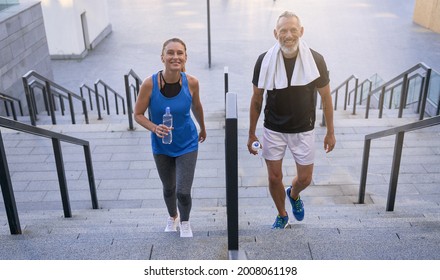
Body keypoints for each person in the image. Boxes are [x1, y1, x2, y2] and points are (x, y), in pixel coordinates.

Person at [247, 11, 336, 229]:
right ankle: (282, 214)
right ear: (275, 33)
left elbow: (325, 97)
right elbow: (257, 98)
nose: (288, 35)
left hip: (303, 128)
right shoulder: (264, 60)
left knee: (305, 179)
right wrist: (251, 133)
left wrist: (330, 131)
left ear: (301, 32)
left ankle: (294, 194)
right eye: (283, 30)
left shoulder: (315, 60)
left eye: (293, 30)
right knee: (274, 178)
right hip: (273, 128)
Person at [134, 38, 206, 237]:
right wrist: (154, 127)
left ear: (185, 57)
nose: (175, 57)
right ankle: (172, 216)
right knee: (168, 188)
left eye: (179, 53)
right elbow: (138, 114)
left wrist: (203, 127)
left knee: (183, 191)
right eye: (170, 53)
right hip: (162, 145)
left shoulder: (192, 82)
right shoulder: (149, 84)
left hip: (187, 142)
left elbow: (197, 107)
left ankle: (184, 221)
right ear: (162, 57)